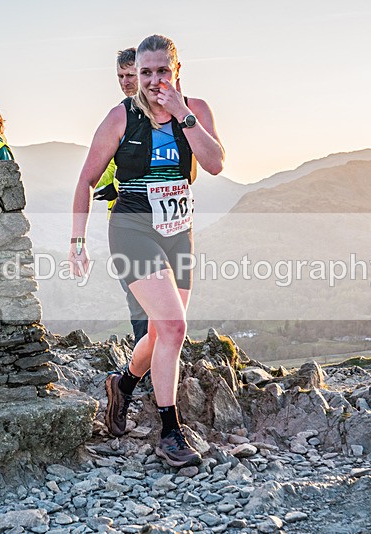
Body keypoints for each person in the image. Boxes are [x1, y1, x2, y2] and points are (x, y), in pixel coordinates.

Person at [70, 34, 225, 467]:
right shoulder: (121, 117)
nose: (154, 80)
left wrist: (182, 114)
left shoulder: (196, 110)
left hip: (178, 231)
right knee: (174, 327)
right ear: (136, 74)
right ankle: (170, 433)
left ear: (177, 70)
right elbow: (86, 180)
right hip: (132, 227)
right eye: (145, 72)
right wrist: (78, 241)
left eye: (162, 71)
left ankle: (122, 385)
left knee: (159, 333)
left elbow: (215, 163)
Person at [93, 47, 149, 346]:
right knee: (136, 297)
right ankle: (147, 363)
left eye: (131, 75)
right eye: (120, 76)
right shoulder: (120, 115)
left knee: (152, 300)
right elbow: (111, 166)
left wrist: (118, 186)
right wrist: (106, 184)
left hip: (156, 222)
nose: (125, 82)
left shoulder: (161, 115)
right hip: (123, 220)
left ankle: (154, 364)